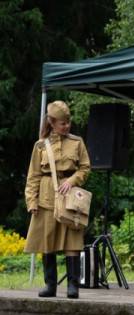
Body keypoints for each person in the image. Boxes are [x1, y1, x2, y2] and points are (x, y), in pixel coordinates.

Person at [24, 100, 91, 299]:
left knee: (73, 240)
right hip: (46, 197)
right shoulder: (40, 146)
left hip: (70, 196)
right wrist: (31, 201)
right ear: (52, 122)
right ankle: (50, 285)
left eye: (68, 122)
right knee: (48, 240)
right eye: (62, 123)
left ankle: (73, 286)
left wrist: (72, 180)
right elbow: (33, 175)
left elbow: (85, 167)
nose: (67, 125)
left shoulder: (77, 142)